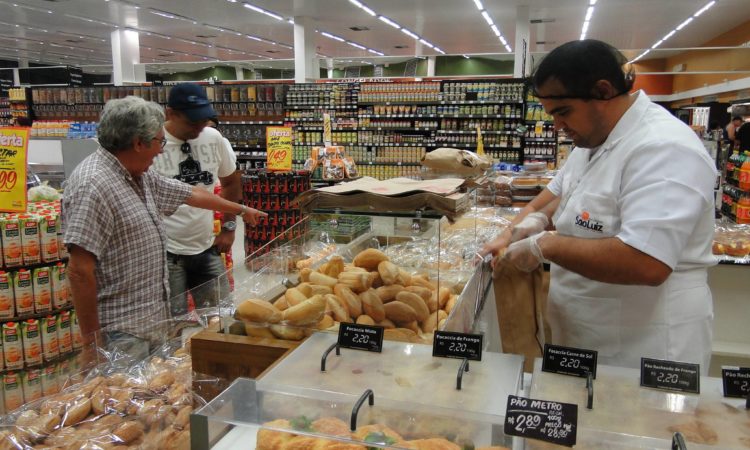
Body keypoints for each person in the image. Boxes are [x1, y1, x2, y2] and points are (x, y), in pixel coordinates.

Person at [480, 39, 717, 373]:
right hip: (585, 336)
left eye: (563, 112)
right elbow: (551, 197)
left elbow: (647, 262)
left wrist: (543, 244)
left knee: (639, 425)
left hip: (644, 348)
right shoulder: (593, 141)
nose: (557, 127)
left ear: (603, 91)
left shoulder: (663, 148)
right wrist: (513, 232)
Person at [63, 96, 265, 355]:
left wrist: (241, 210)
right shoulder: (92, 186)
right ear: (138, 143)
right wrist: (92, 346)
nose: (161, 150)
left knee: (158, 393)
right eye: (160, 142)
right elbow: (79, 271)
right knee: (128, 394)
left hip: (153, 319)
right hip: (121, 331)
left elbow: (188, 193)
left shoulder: (138, 174)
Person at [151, 83, 241, 317]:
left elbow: (230, 182)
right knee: (172, 326)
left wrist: (229, 226)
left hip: (207, 247)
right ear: (171, 114)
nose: (200, 127)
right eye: (192, 121)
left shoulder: (213, 138)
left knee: (222, 320)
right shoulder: (152, 145)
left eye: (203, 119)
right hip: (166, 254)